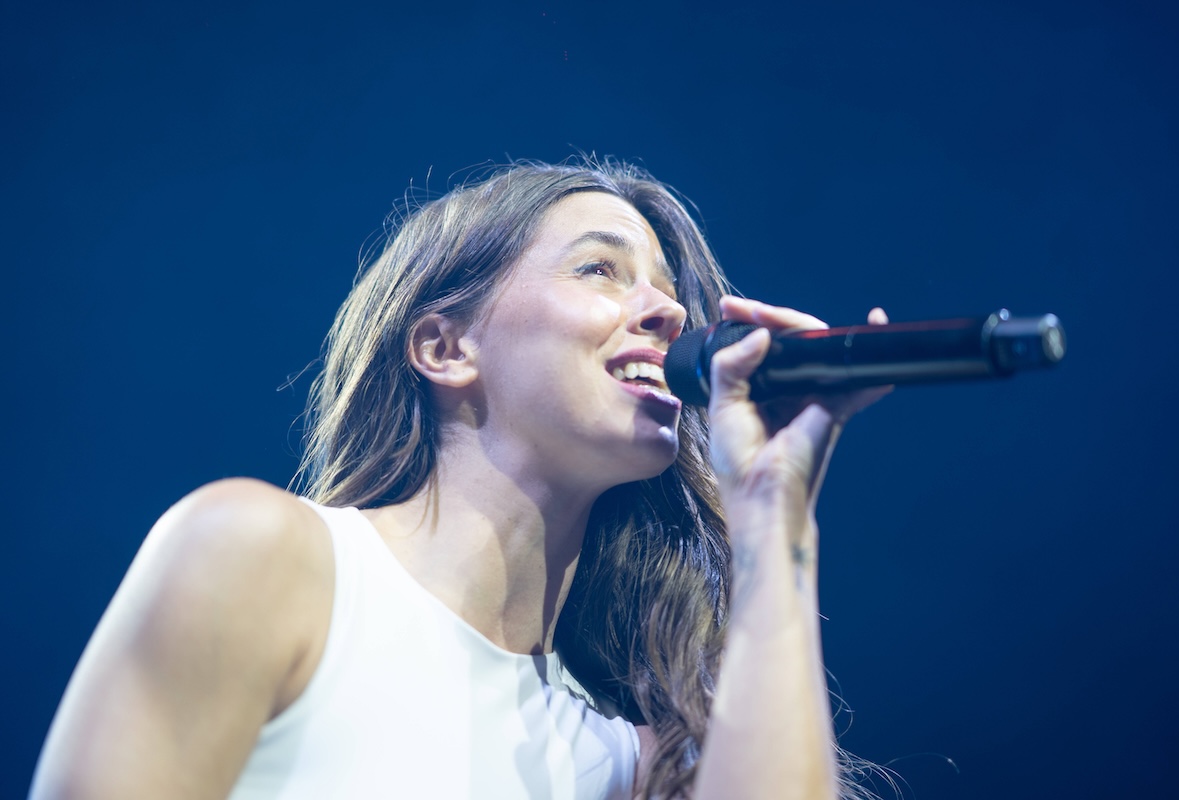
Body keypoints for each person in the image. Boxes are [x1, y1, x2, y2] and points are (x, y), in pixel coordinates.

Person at [30, 159, 888, 799]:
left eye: (668, 291)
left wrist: (775, 514)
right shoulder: (261, 559)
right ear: (446, 348)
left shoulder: (629, 760)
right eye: (601, 269)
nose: (669, 314)